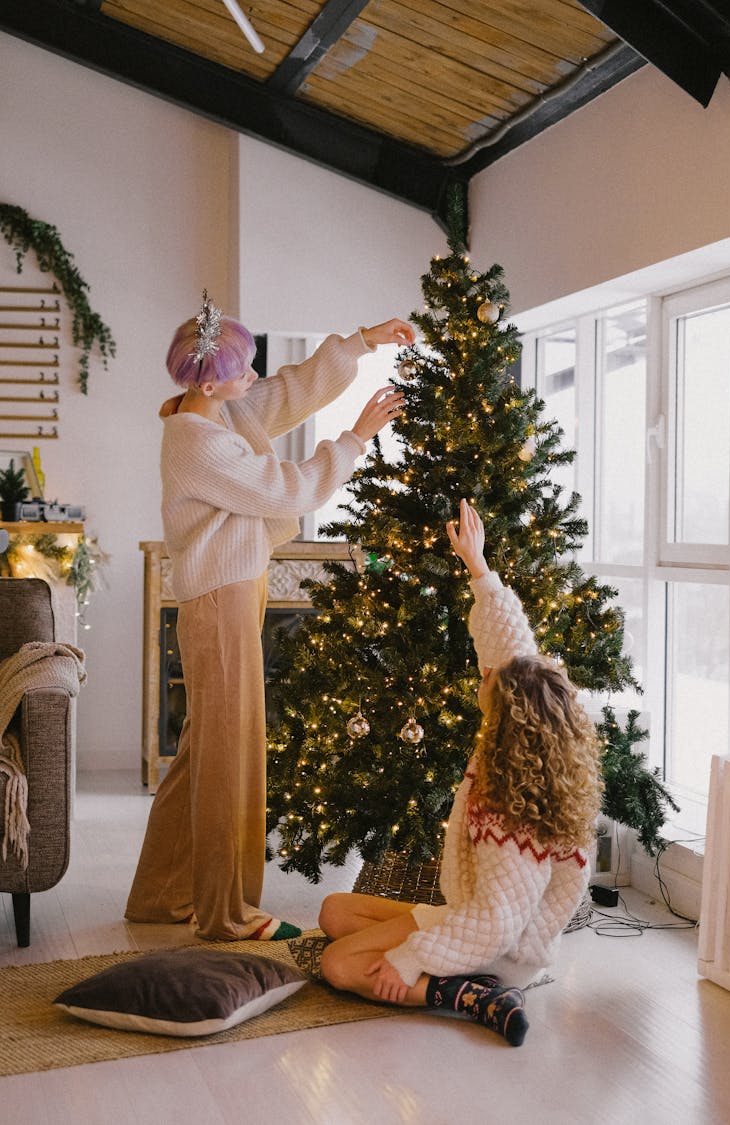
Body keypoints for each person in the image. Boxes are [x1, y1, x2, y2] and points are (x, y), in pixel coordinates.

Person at [126, 290, 414, 942]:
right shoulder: (199, 443)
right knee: (230, 759)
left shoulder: (221, 413)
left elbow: (289, 390)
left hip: (230, 594)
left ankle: (158, 895)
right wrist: (356, 439)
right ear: (210, 377)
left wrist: (364, 339)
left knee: (205, 752)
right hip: (220, 604)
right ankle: (227, 912)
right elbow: (290, 486)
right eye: (242, 367)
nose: (253, 375)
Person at [318, 498, 602, 1046]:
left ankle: (470, 994)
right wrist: (479, 568)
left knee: (338, 964)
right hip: (482, 924)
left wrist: (408, 959)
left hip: (501, 948)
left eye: (489, 677)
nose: (484, 673)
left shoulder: (507, 807)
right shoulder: (536, 745)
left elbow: (496, 922)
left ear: (506, 715)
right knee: (336, 910)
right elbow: (515, 651)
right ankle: (455, 975)